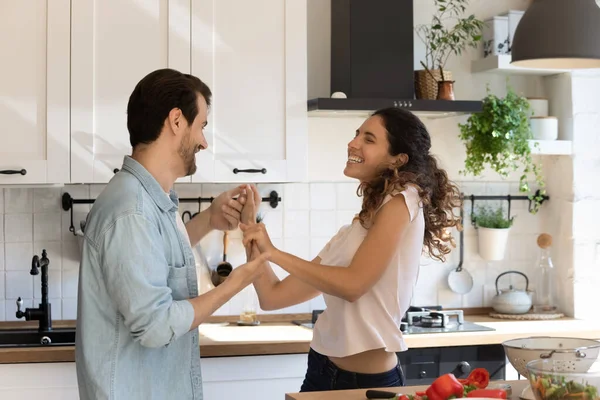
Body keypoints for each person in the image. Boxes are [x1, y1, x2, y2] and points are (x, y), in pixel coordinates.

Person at [75, 68, 269, 400]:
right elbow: (155, 325)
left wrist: (209, 219)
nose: (204, 142)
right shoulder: (131, 210)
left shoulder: (149, 200)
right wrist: (237, 282)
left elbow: (152, 257)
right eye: (202, 126)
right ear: (177, 120)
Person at [239, 107, 462, 392]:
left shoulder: (404, 199)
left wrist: (274, 252)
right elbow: (273, 297)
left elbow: (354, 285)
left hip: (368, 384)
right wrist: (251, 231)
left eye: (369, 139)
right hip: (320, 371)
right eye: (357, 134)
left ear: (398, 158)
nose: (353, 142)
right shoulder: (353, 232)